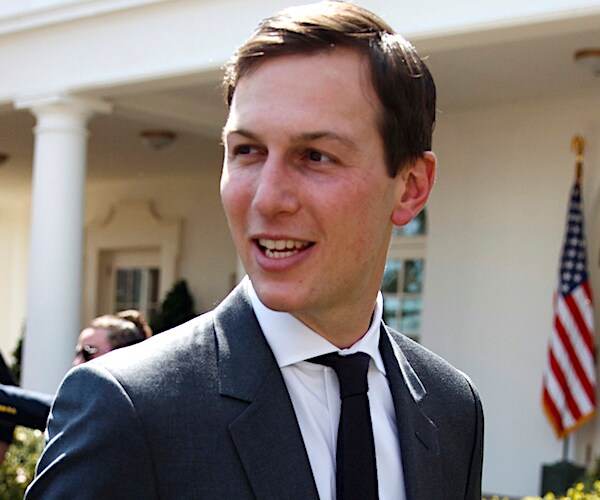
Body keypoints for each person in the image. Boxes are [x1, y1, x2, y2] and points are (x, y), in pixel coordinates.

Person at [25, 2, 484, 499]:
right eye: (247, 151)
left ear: (411, 186)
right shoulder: (129, 407)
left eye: (315, 156)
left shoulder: (452, 408)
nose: (266, 198)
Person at [0, 312, 152, 436]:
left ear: (121, 353)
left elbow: (53, 411)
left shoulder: (129, 412)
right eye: (77, 354)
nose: (77, 363)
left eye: (88, 352)